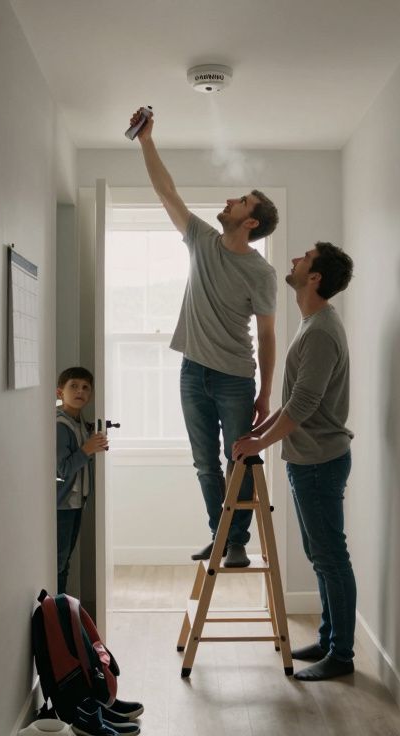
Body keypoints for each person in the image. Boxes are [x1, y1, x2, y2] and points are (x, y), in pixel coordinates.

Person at [129, 107, 280, 569]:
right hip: (192, 371)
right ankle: (220, 536)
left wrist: (265, 393)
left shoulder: (261, 272)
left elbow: (268, 335)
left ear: (251, 221)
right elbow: (166, 191)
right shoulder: (201, 239)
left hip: (236, 377)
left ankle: (237, 542)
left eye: (242, 201)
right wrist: (147, 141)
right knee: (203, 463)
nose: (232, 200)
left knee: (238, 462)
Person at [232, 242, 356, 681]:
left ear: (316, 276)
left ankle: (341, 655)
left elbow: (303, 403)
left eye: (302, 257)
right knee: (320, 554)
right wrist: (261, 435)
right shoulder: (314, 324)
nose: (293, 261)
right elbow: (298, 402)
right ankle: (328, 640)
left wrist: (257, 442)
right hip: (310, 460)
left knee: (330, 556)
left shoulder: (320, 330)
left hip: (320, 461)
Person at [55, 366, 107, 594]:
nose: (80, 391)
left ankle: (61, 606)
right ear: (60, 393)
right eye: (73, 386)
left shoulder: (78, 423)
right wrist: (86, 450)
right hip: (61, 504)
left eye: (85, 387)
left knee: (64, 560)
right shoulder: (60, 425)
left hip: (75, 503)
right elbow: (61, 469)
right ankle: (55, 611)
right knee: (58, 561)